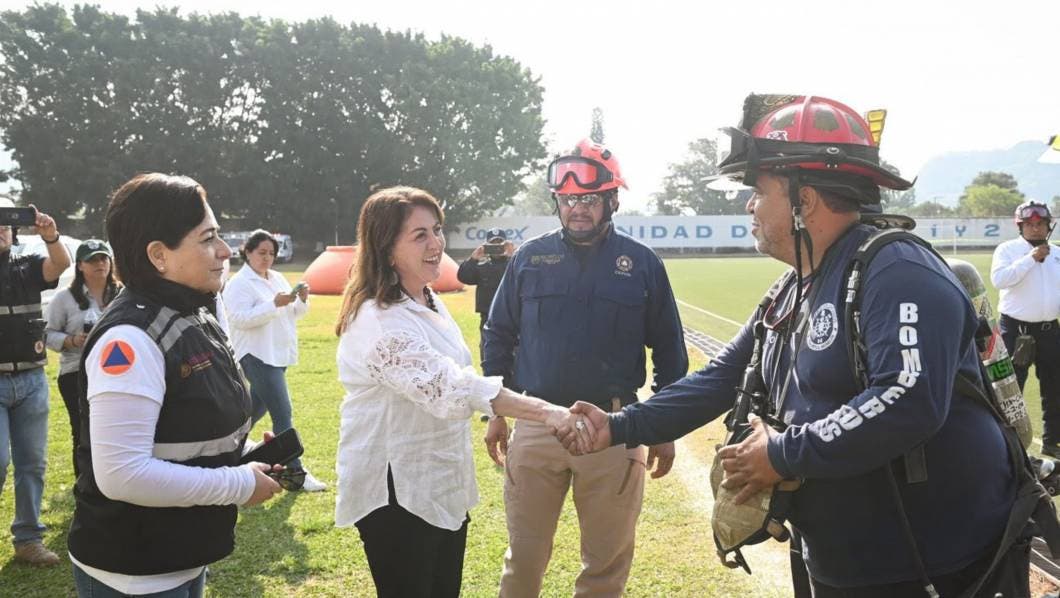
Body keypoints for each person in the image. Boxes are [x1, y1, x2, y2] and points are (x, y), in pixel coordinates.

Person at [568, 95, 1028, 597]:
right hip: (839, 558)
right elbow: (720, 378)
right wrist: (616, 427)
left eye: (758, 190)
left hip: (934, 566)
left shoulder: (899, 274)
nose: (749, 205)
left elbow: (909, 399)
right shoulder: (794, 287)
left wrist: (782, 453)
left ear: (803, 199)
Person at [333, 186, 594, 598]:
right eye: (419, 235)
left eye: (437, 230)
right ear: (386, 249)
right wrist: (548, 412)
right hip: (397, 493)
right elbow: (452, 386)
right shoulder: (377, 320)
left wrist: (500, 414)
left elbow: (461, 373)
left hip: (441, 485)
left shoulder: (428, 299)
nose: (436, 243)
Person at [481, 139, 688, 597]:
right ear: (557, 202)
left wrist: (665, 426)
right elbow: (498, 336)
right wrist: (495, 411)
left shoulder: (642, 264)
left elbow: (670, 351)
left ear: (612, 200)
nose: (578, 208)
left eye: (589, 199)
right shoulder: (529, 260)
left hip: (615, 431)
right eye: (569, 199)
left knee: (605, 567)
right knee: (524, 561)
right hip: (536, 425)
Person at [68, 173, 284, 597]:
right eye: (207, 239)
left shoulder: (195, 310)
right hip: (132, 571)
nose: (224, 251)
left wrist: (240, 456)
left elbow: (184, 424)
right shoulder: (129, 339)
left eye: (218, 235)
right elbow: (122, 475)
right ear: (158, 255)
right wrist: (238, 484)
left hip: (181, 555)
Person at [222, 229, 325, 492]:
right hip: (256, 355)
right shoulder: (239, 283)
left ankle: (223, 453)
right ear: (247, 252)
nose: (267, 258)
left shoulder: (277, 277)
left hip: (277, 354)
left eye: (271, 253)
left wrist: (301, 300)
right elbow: (239, 319)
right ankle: (296, 473)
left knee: (252, 411)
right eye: (261, 253)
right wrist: (273, 305)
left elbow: (294, 313)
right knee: (282, 412)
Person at [0, 197, 70, 566]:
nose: (0, 229)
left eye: (5, 222)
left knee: (33, 463)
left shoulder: (27, 265)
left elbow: (60, 264)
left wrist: (51, 235)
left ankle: (28, 540)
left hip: (30, 379)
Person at [45, 239, 121, 476]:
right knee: (82, 429)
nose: (100, 263)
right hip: (76, 371)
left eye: (104, 258)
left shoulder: (124, 294)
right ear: (80, 266)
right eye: (93, 260)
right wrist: (71, 341)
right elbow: (47, 333)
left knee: (116, 429)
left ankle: (114, 477)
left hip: (117, 371)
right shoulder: (63, 299)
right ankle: (86, 481)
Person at [990, 200, 1060, 457]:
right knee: (1010, 389)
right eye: (1029, 224)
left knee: (1054, 387)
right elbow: (999, 280)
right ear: (1020, 226)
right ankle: (1006, 442)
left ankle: (1054, 442)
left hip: (1049, 330)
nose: (1035, 228)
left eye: (1039, 224)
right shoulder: (1007, 249)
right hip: (1015, 330)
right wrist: (1031, 259)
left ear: (1047, 225)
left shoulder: (1058, 253)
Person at [456, 227, 514, 334]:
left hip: (510, 318)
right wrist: (473, 258)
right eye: (493, 244)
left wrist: (512, 256)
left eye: (500, 244)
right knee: (488, 349)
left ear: (505, 245)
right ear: (486, 246)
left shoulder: (513, 264)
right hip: (488, 318)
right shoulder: (481, 268)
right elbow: (463, 277)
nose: (496, 247)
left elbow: (522, 277)